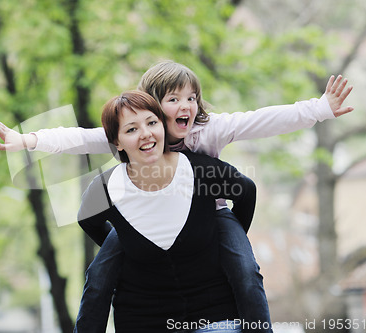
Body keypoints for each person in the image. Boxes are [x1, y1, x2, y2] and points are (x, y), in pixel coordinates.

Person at [0, 61, 353, 332]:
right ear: (152, 105)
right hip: (140, 218)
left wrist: (319, 110)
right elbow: (78, 137)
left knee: (245, 269)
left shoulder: (209, 129)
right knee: (98, 277)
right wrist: (28, 141)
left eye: (191, 98)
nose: (186, 107)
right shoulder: (133, 129)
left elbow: (263, 120)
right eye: (174, 99)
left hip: (211, 211)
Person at [79, 90, 255, 332]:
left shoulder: (201, 172)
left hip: (214, 315)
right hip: (142, 319)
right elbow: (87, 220)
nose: (146, 134)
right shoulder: (105, 189)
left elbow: (247, 191)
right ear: (116, 142)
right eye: (131, 129)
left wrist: (224, 234)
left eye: (152, 123)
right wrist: (128, 241)